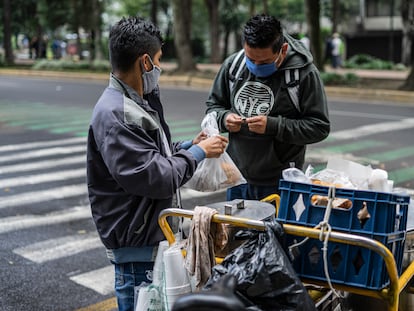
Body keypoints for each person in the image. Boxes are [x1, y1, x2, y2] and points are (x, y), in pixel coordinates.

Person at [86, 16, 228, 311]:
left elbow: (153, 153)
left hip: (151, 240)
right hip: (139, 250)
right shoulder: (118, 113)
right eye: (160, 60)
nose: (161, 68)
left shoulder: (135, 101)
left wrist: (190, 145)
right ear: (145, 62)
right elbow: (154, 176)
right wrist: (198, 154)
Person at [205, 14, 330, 201]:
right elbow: (213, 108)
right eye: (250, 59)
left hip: (281, 181)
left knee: (276, 231)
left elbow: (319, 127)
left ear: (283, 50)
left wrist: (273, 126)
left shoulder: (304, 74)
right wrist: (224, 118)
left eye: (264, 62)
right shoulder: (234, 65)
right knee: (236, 229)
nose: (255, 66)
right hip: (236, 177)